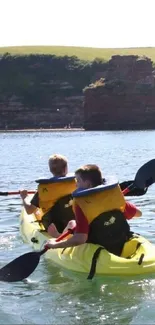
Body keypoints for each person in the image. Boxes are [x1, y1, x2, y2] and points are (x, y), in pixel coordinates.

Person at [45, 164, 142, 256]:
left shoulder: (82, 204)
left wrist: (55, 245)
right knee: (73, 223)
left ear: (87, 184)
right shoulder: (114, 198)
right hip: (120, 241)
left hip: (98, 245)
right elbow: (139, 214)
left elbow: (80, 239)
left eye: (78, 180)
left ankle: (58, 238)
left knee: (72, 223)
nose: (75, 184)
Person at [20, 154, 76, 232]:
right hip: (75, 221)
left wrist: (24, 197)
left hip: (54, 225)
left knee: (37, 210)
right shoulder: (76, 183)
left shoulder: (43, 189)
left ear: (50, 170)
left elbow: (29, 211)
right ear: (66, 168)